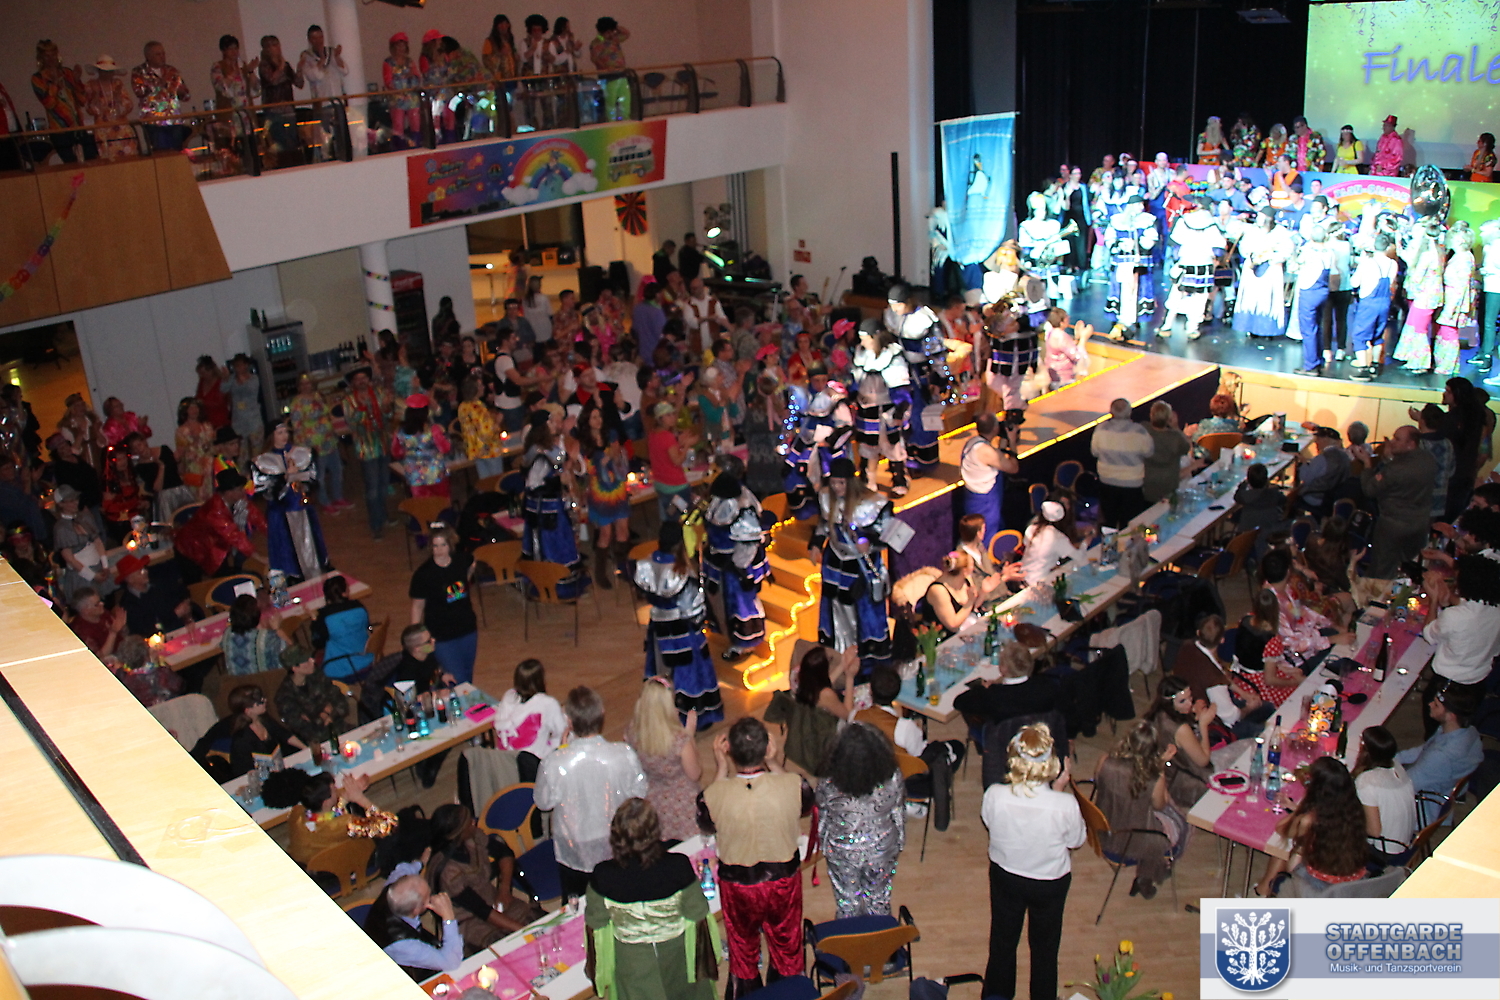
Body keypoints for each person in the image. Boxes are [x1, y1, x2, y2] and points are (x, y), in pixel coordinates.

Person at [698, 717, 813, 999]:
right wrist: (774, 762)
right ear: (767, 748)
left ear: (728, 751)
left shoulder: (714, 794)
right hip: (783, 882)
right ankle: (788, 992)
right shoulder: (793, 785)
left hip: (738, 888)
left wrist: (721, 769)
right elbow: (806, 804)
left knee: (743, 950)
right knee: (787, 946)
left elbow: (706, 822)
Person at [980, 722, 1083, 1000]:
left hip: (1005, 876)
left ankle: (997, 995)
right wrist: (1058, 790)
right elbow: (1076, 840)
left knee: (1002, 942)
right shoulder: (1065, 805)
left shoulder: (994, 795)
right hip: (1050, 883)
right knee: (1045, 949)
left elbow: (989, 822)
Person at [585, 798, 717, 1000]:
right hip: (677, 955)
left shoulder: (603, 874)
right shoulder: (677, 865)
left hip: (631, 961)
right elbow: (697, 911)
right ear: (655, 831)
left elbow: (596, 921)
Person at [535, 686, 648, 901]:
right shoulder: (623, 754)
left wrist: (561, 752)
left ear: (569, 722)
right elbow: (640, 792)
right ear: (602, 713)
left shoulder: (555, 762)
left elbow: (543, 801)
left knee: (576, 909)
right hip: (616, 845)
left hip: (573, 850)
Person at [809, 458, 900, 677]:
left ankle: (868, 668)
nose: (836, 487)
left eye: (841, 483)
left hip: (862, 570)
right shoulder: (826, 498)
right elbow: (823, 525)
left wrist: (872, 543)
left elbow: (894, 535)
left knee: (865, 616)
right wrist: (815, 544)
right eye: (833, 482)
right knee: (835, 614)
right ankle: (841, 662)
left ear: (851, 482)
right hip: (834, 566)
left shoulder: (874, 504)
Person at [634, 519, 725, 725]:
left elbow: (644, 593)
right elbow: (693, 608)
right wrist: (703, 622)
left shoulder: (645, 564)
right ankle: (692, 719)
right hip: (683, 632)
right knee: (690, 675)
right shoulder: (682, 572)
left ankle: (663, 717)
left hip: (658, 627)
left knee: (661, 670)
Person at [816, 723, 905, 919]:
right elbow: (898, 811)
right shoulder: (892, 777)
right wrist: (899, 842)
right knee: (879, 898)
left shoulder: (828, 782)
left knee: (847, 901)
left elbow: (822, 811)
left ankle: (850, 934)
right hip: (882, 848)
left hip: (842, 849)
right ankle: (880, 933)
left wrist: (823, 842)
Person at [1093, 720, 1188, 900]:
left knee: (1149, 820)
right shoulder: (1154, 777)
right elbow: (1160, 805)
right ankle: (1150, 873)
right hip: (1134, 840)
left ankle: (1149, 872)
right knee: (1181, 822)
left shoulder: (1105, 761)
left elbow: (1100, 782)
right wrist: (1160, 769)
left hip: (1104, 830)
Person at [427, 803, 536, 950]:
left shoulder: (473, 837)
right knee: (509, 944)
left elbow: (505, 853)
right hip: (468, 919)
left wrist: (504, 890)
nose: (474, 822)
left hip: (490, 900)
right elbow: (480, 909)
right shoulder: (448, 873)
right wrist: (523, 931)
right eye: (469, 822)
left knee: (535, 918)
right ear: (458, 833)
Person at [1255, 757, 1369, 896]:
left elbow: (1282, 829)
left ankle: (1262, 891)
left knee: (1284, 846)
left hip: (1322, 886)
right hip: (1354, 879)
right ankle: (1263, 890)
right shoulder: (1354, 808)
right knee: (1296, 843)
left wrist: (1303, 807)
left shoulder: (1309, 820)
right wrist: (1295, 806)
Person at [703, 455, 770, 662]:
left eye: (716, 470)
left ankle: (745, 644)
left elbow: (749, 540)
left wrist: (739, 567)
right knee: (723, 603)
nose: (711, 474)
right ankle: (730, 635)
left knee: (740, 604)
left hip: (735, 566)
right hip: (719, 562)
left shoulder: (741, 502)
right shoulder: (721, 494)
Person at [520, 407, 589, 599]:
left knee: (562, 542)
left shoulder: (552, 449)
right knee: (550, 545)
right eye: (550, 422)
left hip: (554, 506)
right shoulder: (537, 451)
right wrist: (559, 480)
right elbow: (533, 483)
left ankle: (564, 581)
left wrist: (568, 465)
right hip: (543, 509)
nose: (554, 425)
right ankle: (552, 585)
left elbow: (562, 468)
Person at [625, 678, 704, 843]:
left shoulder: (633, 731)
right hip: (684, 806)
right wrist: (690, 734)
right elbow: (695, 773)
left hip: (653, 800)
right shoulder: (679, 739)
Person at [1397, 683, 1484, 823]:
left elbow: (1405, 787)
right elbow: (1424, 750)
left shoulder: (1441, 756)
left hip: (1422, 807)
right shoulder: (1468, 732)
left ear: (1451, 716)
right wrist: (1394, 758)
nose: (1430, 704)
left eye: (1436, 705)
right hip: (1440, 785)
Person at [253, 420, 328, 581]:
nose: (284, 436)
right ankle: (289, 580)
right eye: (280, 433)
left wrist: (302, 481)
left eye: (286, 432)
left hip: (302, 508)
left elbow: (313, 481)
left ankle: (314, 575)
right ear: (271, 436)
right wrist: (285, 479)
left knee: (310, 544)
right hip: (281, 513)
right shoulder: (263, 461)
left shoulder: (302, 453)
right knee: (285, 548)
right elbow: (265, 491)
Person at [1173, 613, 1268, 739]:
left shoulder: (1187, 646)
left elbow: (1221, 674)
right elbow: (1231, 718)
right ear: (1222, 640)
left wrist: (1244, 694)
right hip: (1218, 725)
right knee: (1265, 731)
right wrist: (1249, 708)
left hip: (1199, 704)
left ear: (1198, 633)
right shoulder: (1214, 680)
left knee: (1267, 708)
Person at [1361, 426, 1439, 578]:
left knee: (1382, 569)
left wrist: (1367, 464)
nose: (1391, 442)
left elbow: (1370, 489)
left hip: (1393, 525)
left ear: (1411, 444)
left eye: (1397, 439)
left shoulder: (1395, 469)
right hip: (1420, 524)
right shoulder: (1429, 460)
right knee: (1409, 568)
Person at [407, 525, 477, 685]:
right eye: (435, 546)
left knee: (467, 674)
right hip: (441, 636)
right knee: (457, 678)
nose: (439, 550)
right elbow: (417, 607)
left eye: (443, 545)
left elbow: (472, 563)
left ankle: (465, 700)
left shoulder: (461, 560)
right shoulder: (423, 574)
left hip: (467, 629)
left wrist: (467, 578)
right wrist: (416, 637)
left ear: (450, 544)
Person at [287, 771, 398, 868]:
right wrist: (361, 799)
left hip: (306, 862)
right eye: (334, 790)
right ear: (326, 802)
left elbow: (328, 815)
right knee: (391, 839)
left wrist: (346, 797)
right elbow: (389, 826)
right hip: (333, 867)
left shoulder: (297, 811)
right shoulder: (345, 824)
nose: (337, 791)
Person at [174, 468, 264, 578]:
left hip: (215, 546)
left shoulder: (237, 500)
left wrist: (273, 533)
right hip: (191, 549)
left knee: (225, 573)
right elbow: (235, 537)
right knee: (198, 584)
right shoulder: (215, 512)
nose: (244, 492)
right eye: (240, 489)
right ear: (229, 493)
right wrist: (261, 558)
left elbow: (255, 515)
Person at [370, 874, 463, 978]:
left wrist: (418, 865)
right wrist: (448, 916)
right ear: (417, 910)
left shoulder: (393, 890)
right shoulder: (404, 945)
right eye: (428, 896)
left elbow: (405, 869)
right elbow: (451, 963)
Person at [492, 658, 568, 781]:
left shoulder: (508, 697)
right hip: (534, 767)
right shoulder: (547, 704)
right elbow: (561, 731)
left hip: (504, 765)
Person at [1352, 726, 1417, 863]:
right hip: (1405, 840)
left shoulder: (1367, 781)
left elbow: (1374, 831)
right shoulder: (1397, 766)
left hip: (1385, 851)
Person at [343, 366, 394, 539]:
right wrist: (362, 409)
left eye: (364, 378)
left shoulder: (379, 393)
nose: (361, 381)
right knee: (372, 488)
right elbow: (351, 423)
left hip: (383, 444)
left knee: (384, 484)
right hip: (366, 448)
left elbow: (389, 416)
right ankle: (376, 525)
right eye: (357, 379)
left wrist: (386, 407)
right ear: (353, 383)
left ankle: (384, 515)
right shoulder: (349, 400)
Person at [1233, 588, 1302, 709]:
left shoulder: (1244, 620)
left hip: (1241, 676)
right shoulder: (1271, 639)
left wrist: (1286, 670)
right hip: (1258, 682)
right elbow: (1269, 680)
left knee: (1295, 673)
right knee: (1302, 689)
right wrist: (1294, 682)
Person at [287, 375, 347, 514]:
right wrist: (304, 446)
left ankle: (338, 497)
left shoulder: (317, 396)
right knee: (319, 474)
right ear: (299, 386)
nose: (306, 386)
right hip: (313, 444)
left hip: (329, 440)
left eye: (309, 383)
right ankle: (324, 501)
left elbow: (327, 414)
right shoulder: (296, 403)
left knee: (337, 469)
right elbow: (296, 426)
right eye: (303, 384)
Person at [31, 40, 98, 163]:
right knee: (71, 163)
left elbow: (82, 100)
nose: (51, 59)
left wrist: (76, 80)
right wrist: (55, 84)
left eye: (53, 54)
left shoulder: (67, 73)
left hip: (77, 126)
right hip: (59, 128)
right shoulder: (38, 79)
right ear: (41, 58)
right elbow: (49, 104)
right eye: (47, 56)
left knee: (92, 158)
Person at [1091, 398, 1154, 528]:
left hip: (1107, 482)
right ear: (1129, 412)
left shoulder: (1100, 429)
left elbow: (1094, 452)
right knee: (1130, 523)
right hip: (1132, 484)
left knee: (1109, 522)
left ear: (1111, 412)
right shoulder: (1140, 431)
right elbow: (1149, 452)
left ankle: (1109, 541)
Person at [960, 413, 1019, 545]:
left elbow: (997, 459)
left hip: (973, 496)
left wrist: (1003, 439)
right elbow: (1013, 468)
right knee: (988, 537)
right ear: (995, 428)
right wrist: (1012, 442)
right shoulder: (986, 451)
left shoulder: (972, 442)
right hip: (985, 501)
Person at [274, 644, 349, 747]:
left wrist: (327, 714)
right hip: (317, 744)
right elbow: (304, 729)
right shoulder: (284, 696)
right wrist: (325, 713)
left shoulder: (317, 676)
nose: (312, 661)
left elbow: (342, 704)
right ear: (295, 668)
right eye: (306, 660)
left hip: (341, 730)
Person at [1236, 209, 1294, 339]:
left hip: (1271, 269)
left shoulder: (1280, 232)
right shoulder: (1252, 231)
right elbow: (1244, 246)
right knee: (1251, 298)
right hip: (1253, 267)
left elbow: (1287, 250)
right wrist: (1252, 255)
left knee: (1267, 300)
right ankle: (1251, 328)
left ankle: (1268, 330)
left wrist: (1271, 256)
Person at [52, 484, 112, 603]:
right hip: (81, 576)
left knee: (107, 602)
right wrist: (92, 576)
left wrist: (105, 566)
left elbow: (97, 541)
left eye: (76, 499)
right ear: (61, 504)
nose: (76, 503)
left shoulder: (85, 517)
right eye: (71, 501)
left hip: (98, 567)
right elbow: (70, 559)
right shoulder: (61, 528)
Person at [310, 573, 372, 681]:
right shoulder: (359, 606)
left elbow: (318, 643)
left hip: (344, 668)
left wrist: (314, 621)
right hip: (367, 658)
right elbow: (367, 625)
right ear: (344, 593)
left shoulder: (324, 616)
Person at [924, 550, 1000, 637]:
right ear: (965, 571)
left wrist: (983, 591)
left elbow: (971, 608)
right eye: (972, 566)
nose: (973, 569)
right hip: (946, 638)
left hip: (967, 630)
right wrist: (969, 602)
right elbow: (953, 625)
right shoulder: (938, 590)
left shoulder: (966, 580)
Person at [131, 41, 191, 151]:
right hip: (154, 121)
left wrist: (180, 91)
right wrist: (158, 84)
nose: (162, 57)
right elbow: (139, 91)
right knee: (160, 153)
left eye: (163, 53)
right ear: (148, 56)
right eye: (158, 54)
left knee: (177, 152)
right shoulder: (139, 72)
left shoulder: (172, 71)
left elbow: (186, 95)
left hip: (174, 119)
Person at [115, 554, 191, 638]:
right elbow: (147, 630)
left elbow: (182, 592)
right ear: (130, 579)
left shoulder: (158, 585)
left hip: (182, 629)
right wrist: (175, 615)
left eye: (144, 569)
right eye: (140, 571)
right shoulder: (128, 604)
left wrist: (185, 604)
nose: (146, 572)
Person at [391, 394, 452, 498]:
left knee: (421, 506)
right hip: (435, 474)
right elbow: (445, 448)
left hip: (415, 476)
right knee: (441, 503)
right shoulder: (433, 430)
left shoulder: (400, 432)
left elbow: (396, 453)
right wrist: (447, 439)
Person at [1020, 500, 1091, 587]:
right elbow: (1080, 557)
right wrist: (1087, 541)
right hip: (1038, 583)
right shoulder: (1058, 537)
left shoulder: (1031, 528)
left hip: (1022, 578)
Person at [1286, 426, 1349, 520]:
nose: (1316, 442)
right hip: (1335, 496)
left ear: (1326, 439)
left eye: (1318, 439)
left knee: (1291, 496)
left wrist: (1303, 463)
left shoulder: (1321, 459)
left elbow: (1305, 478)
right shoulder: (1345, 456)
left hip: (1316, 497)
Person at [220, 593, 289, 676]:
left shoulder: (227, 633)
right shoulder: (268, 637)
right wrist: (278, 629)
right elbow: (292, 655)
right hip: (267, 682)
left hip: (238, 683)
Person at [83, 55, 135, 160]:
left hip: (121, 128)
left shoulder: (118, 84)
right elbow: (91, 110)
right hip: (103, 130)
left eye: (110, 71)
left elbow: (128, 106)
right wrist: (95, 97)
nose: (107, 73)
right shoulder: (91, 85)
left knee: (128, 158)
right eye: (104, 71)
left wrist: (118, 98)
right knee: (107, 158)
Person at [1141, 401, 1190, 503]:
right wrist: (1176, 427)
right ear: (1169, 418)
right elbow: (1186, 448)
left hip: (1148, 484)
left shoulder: (1143, 430)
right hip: (1169, 485)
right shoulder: (1176, 438)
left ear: (1151, 415)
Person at [174, 398, 216, 499]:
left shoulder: (207, 426)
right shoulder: (181, 431)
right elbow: (181, 452)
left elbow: (213, 445)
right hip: (193, 468)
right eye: (191, 408)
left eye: (196, 408)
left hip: (210, 465)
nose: (194, 411)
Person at [68, 587, 125, 658]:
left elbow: (119, 629)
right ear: (86, 610)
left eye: (100, 601)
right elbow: (100, 657)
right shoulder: (81, 631)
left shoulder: (102, 613)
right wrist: (113, 633)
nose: (102, 604)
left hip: (122, 648)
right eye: (97, 604)